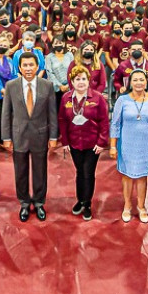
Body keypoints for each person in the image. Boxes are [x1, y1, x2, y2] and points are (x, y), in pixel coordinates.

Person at [1, 53, 59, 222]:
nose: (28, 68)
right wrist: (6, 137)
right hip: (18, 135)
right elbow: (6, 114)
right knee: (20, 172)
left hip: (40, 134)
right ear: (19, 67)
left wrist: (53, 136)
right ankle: (25, 203)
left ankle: (39, 202)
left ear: (37, 66)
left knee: (40, 171)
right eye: (24, 65)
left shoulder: (47, 85)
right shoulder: (11, 86)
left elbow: (52, 114)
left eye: (31, 65)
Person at [110, 68, 148, 223]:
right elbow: (115, 124)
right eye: (135, 80)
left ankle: (141, 206)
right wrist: (113, 145)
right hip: (127, 143)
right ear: (130, 83)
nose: (139, 83)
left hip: (146, 144)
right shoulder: (123, 100)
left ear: (146, 82)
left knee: (142, 176)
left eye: (142, 79)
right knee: (127, 176)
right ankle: (127, 205)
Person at [57, 65, 110, 221]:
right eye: (77, 79)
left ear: (89, 81)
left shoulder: (98, 98)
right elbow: (62, 120)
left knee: (88, 173)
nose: (81, 82)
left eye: (84, 79)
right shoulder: (66, 98)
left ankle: (87, 203)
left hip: (92, 143)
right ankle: (80, 200)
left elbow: (104, 122)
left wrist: (101, 142)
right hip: (74, 143)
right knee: (80, 172)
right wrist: (64, 141)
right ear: (72, 81)